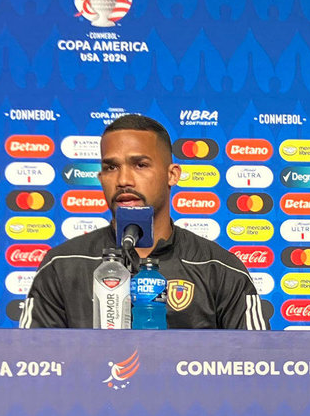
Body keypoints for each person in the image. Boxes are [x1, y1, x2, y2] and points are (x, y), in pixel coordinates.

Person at [20, 114, 268, 329]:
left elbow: (259, 366)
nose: (123, 180)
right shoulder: (62, 265)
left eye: (140, 165)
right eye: (111, 167)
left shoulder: (219, 267)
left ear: (172, 175)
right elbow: (30, 364)